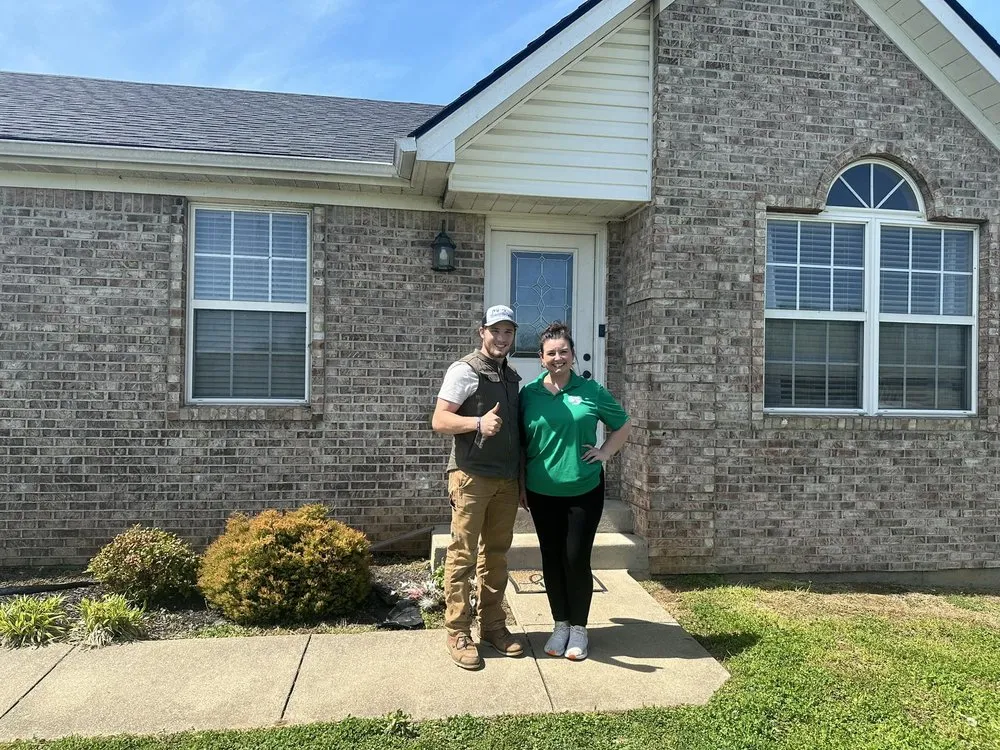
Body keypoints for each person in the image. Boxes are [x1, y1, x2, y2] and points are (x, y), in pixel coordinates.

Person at [519, 322, 631, 661]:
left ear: (571, 355)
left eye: (563, 351)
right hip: (541, 491)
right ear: (541, 358)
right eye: (550, 353)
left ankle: (580, 629)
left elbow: (622, 424)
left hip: (583, 489)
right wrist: (521, 486)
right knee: (551, 560)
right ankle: (560, 624)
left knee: (575, 558)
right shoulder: (529, 394)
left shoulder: (592, 391)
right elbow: (523, 444)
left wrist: (605, 453)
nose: (558, 357)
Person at [431, 304, 525, 670]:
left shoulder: (512, 377)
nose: (502, 338)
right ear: (481, 331)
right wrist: (475, 423)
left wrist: (521, 482)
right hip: (471, 476)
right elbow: (439, 419)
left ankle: (493, 626)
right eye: (495, 331)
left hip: (505, 480)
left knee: (497, 556)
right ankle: (457, 631)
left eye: (508, 332)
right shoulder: (464, 370)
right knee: (462, 556)